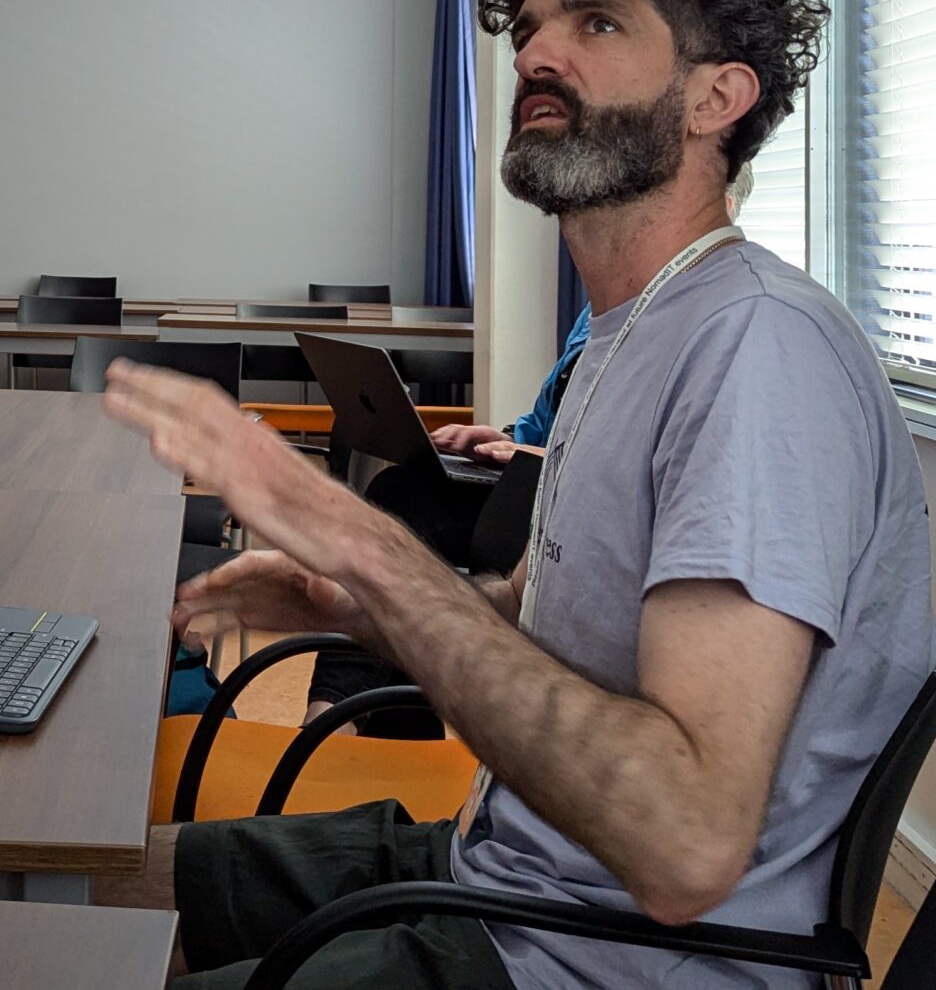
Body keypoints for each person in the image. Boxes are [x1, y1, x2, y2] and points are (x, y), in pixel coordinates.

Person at [99, 0, 935, 990]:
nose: (538, 52)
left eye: (597, 23)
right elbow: (542, 625)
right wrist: (353, 607)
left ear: (717, 96)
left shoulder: (753, 351)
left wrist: (359, 537)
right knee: (108, 887)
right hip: (509, 873)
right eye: (531, 25)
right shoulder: (626, 337)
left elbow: (685, 841)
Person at [311, 164, 754, 729]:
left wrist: (550, 460)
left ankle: (338, 721)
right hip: (529, 481)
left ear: (723, 210)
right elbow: (549, 421)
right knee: (402, 500)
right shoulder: (601, 314)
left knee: (403, 504)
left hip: (573, 512)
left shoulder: (713, 327)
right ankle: (369, 728)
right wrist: (506, 440)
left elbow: (652, 468)